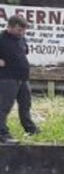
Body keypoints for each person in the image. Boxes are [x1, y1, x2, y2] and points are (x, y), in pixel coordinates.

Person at [0, 15, 39, 144]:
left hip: (23, 78)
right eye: (18, 30)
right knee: (4, 107)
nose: (21, 33)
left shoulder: (21, 38)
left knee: (25, 105)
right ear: (9, 27)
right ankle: (2, 134)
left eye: (23, 30)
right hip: (7, 78)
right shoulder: (1, 38)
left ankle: (30, 128)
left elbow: (24, 52)